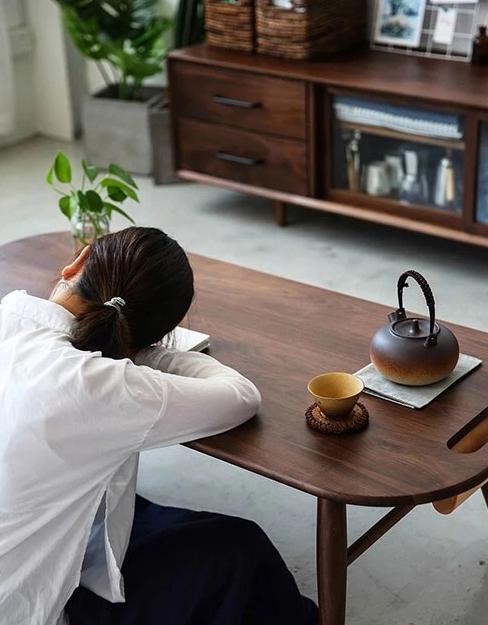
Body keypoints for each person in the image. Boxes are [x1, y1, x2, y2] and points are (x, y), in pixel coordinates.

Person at [0, 227, 317, 625]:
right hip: (23, 607)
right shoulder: (104, 384)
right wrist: (146, 355)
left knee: (136, 510)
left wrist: (126, 350)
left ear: (79, 262)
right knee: (243, 550)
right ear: (150, 335)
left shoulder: (9, 312)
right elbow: (241, 395)